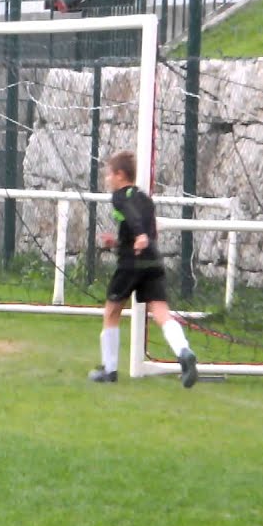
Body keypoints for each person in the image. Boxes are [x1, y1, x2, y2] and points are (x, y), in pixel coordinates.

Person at [91, 151, 199, 388]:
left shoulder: (121, 196)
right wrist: (120, 242)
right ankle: (184, 351)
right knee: (161, 312)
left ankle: (109, 371)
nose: (108, 179)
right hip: (153, 261)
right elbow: (146, 227)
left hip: (131, 263)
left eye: (110, 174)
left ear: (120, 175)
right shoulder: (145, 198)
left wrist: (138, 235)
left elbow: (131, 215)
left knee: (111, 313)